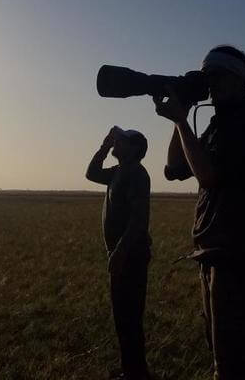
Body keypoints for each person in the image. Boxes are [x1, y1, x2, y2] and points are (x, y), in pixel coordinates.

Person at [154, 45, 245, 380]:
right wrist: (180, 117)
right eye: (208, 79)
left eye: (219, 77)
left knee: (237, 361)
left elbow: (208, 176)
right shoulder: (218, 124)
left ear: (241, 80)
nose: (212, 85)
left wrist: (182, 119)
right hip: (214, 251)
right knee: (221, 357)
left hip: (241, 255)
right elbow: (175, 166)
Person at [85, 126, 153, 380]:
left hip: (130, 257)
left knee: (129, 317)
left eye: (121, 140)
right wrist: (104, 147)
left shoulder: (136, 174)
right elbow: (91, 173)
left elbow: (138, 219)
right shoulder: (118, 172)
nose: (117, 142)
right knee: (123, 317)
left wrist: (121, 252)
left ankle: (136, 373)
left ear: (134, 149)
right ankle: (132, 370)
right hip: (123, 256)